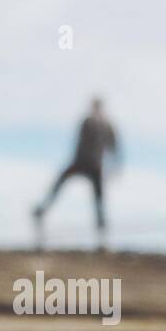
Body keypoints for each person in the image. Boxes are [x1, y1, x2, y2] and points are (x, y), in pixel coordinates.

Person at [33, 97, 121, 245]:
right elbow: (112, 149)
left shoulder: (98, 123)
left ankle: (102, 235)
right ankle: (42, 210)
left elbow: (112, 147)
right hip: (86, 163)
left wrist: (113, 166)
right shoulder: (100, 123)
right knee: (95, 198)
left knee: (98, 199)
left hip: (88, 163)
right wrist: (114, 166)